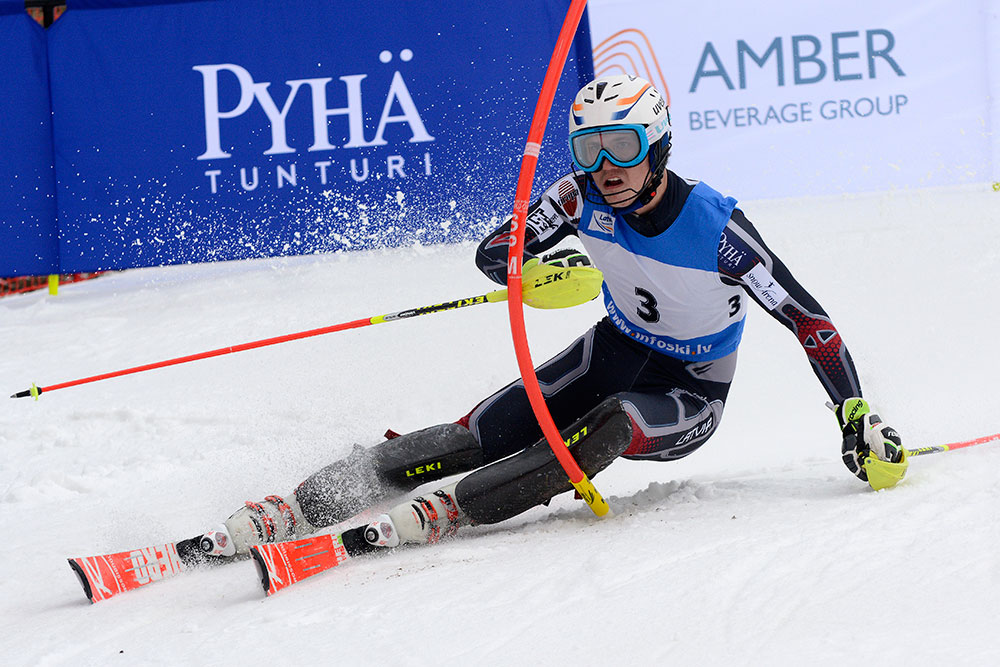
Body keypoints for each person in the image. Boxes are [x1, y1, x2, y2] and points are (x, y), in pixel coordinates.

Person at [187, 74, 908, 564]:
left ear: (657, 146)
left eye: (621, 146)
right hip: (611, 347)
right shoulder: (577, 194)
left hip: (688, 389)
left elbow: (809, 320)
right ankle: (304, 501)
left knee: (611, 425)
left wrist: (855, 413)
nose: (605, 167)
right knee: (475, 433)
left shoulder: (716, 228)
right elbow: (496, 249)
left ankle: (453, 508)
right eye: (589, 149)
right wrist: (516, 266)